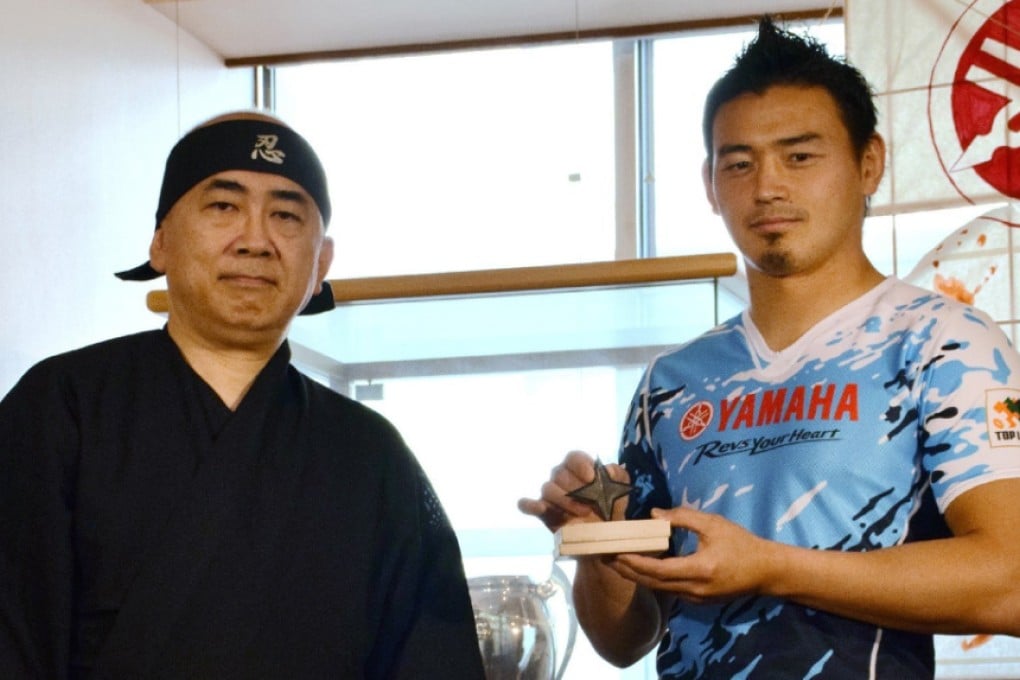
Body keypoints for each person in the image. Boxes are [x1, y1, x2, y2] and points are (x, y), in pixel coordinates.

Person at [519, 16, 1020, 679]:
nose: (767, 188)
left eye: (800, 156)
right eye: (739, 163)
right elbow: (624, 638)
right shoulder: (673, 382)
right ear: (709, 183)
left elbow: (1009, 580)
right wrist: (594, 541)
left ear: (868, 163)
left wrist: (775, 567)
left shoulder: (945, 345)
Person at [0, 111, 486, 679]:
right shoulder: (64, 407)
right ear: (160, 241)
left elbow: (434, 656)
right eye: (223, 207)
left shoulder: (369, 453)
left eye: (285, 215)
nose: (255, 241)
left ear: (321, 264)